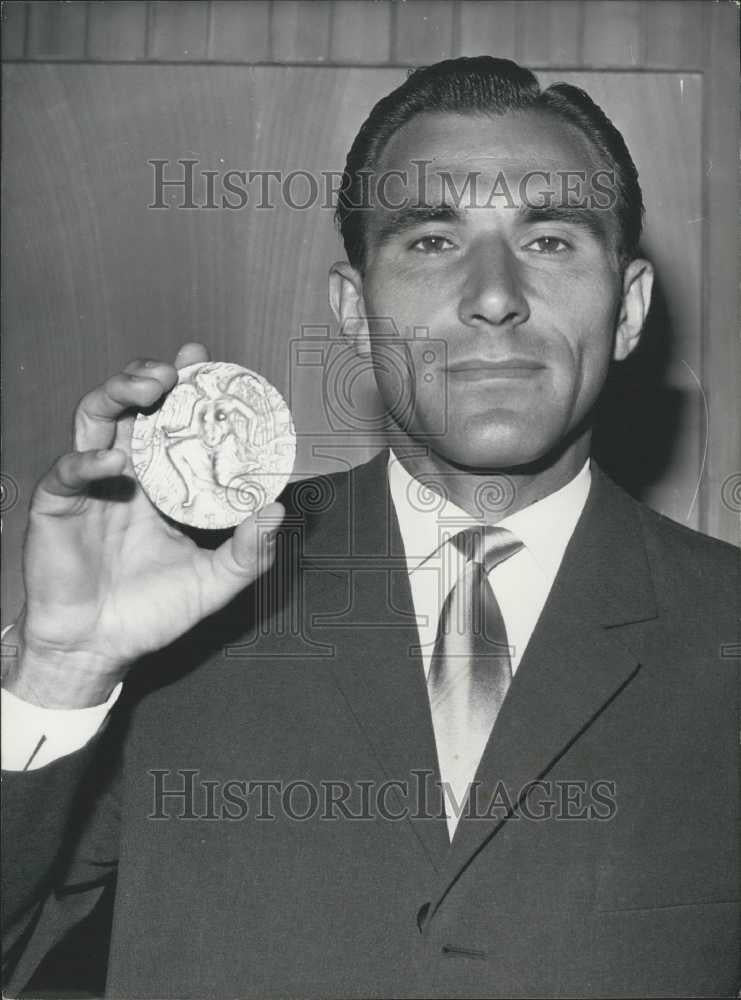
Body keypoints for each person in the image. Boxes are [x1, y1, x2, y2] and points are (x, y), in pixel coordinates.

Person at [2, 57, 738, 999]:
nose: (493, 294)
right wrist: (62, 671)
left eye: (550, 239)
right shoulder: (190, 595)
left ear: (628, 307)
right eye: (431, 241)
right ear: (355, 311)